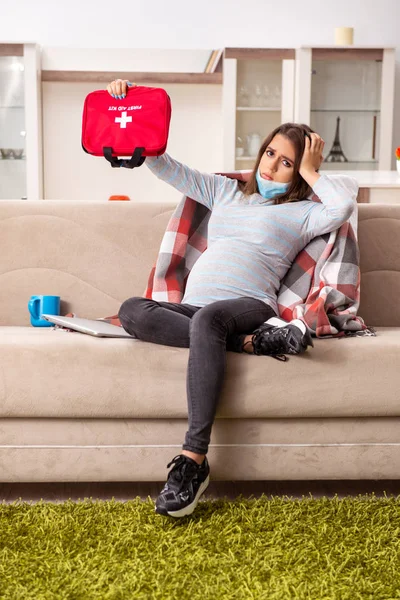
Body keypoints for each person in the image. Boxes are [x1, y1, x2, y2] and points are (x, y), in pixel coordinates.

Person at [106, 79, 358, 519]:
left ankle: (193, 461)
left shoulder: (304, 213)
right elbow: (167, 167)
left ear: (300, 171)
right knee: (132, 309)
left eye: (287, 162)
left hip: (248, 306)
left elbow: (342, 207)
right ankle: (251, 345)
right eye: (270, 154)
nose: (272, 167)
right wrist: (131, 109)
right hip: (197, 309)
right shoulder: (226, 193)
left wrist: (314, 170)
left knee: (208, 322)